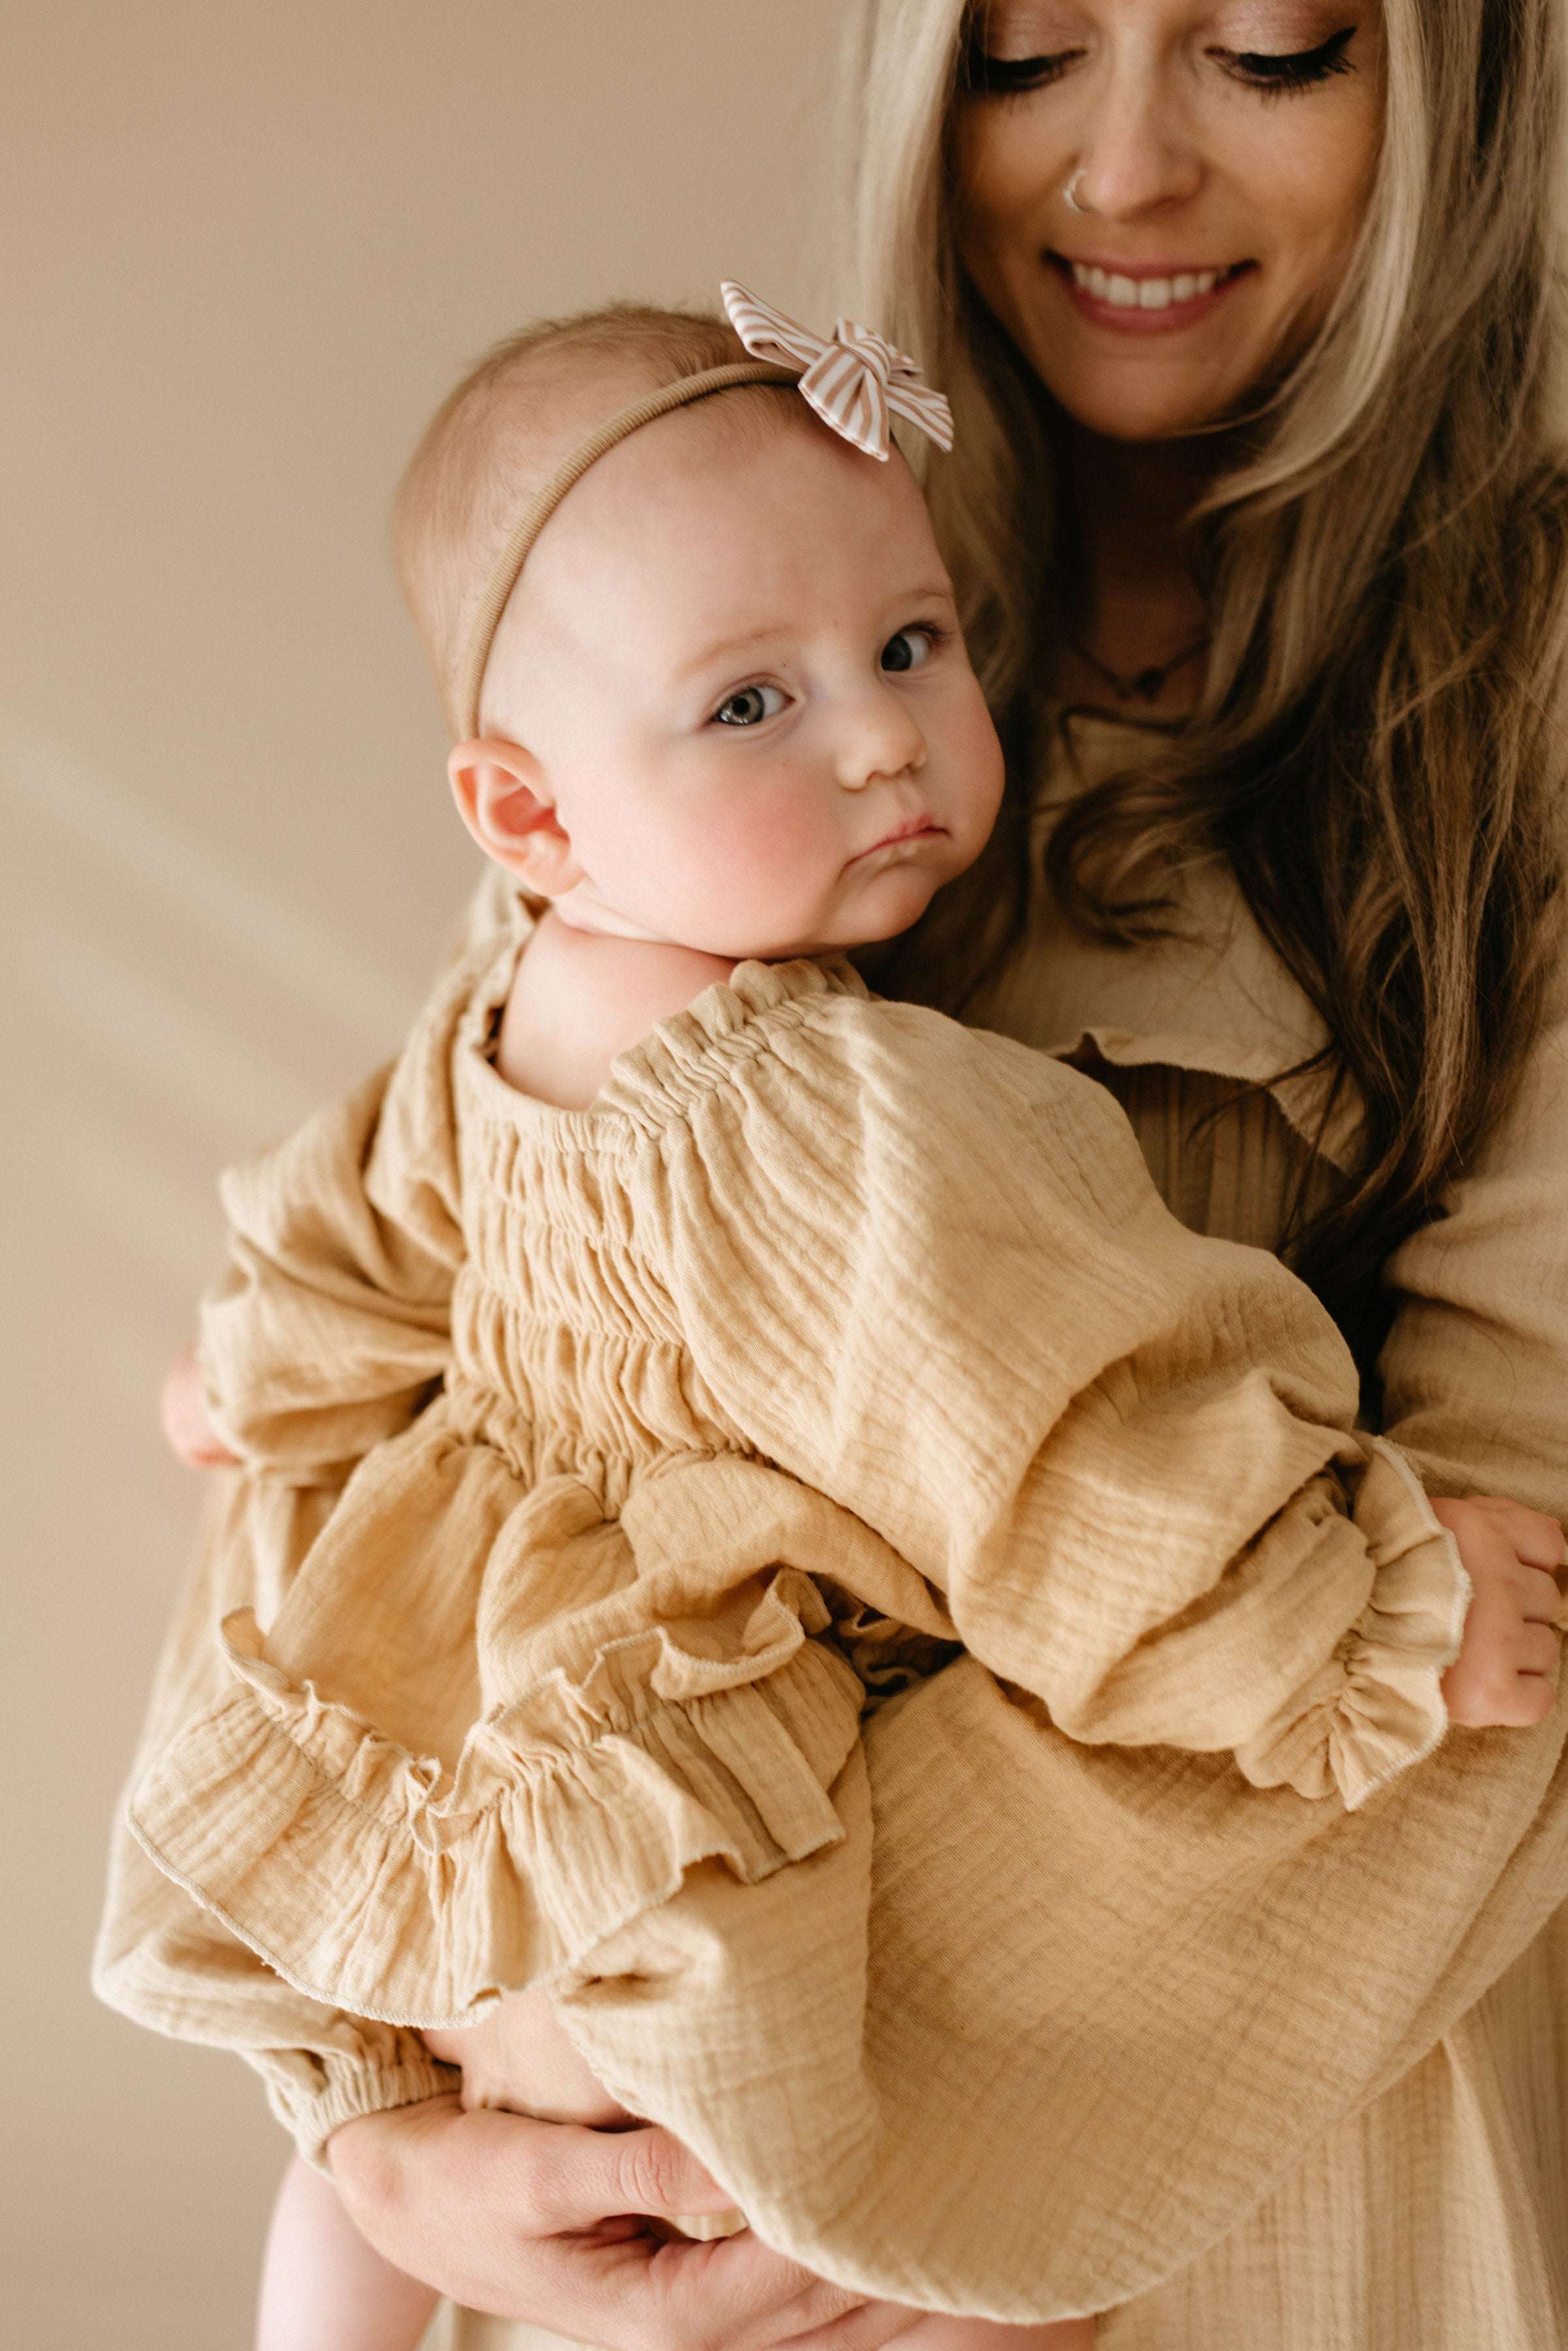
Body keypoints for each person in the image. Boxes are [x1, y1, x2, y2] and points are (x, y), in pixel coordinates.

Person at [97, 0, 1568, 2344]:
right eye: (1021, 57)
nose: (1122, 174)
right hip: (630, 2044)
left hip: (1196, 2087)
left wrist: (831, 2144)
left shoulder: (1497, 711)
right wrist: (387, 2127)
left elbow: (1471, 1553)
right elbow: (377, 1372)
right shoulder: (709, 632)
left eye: (1269, 49)